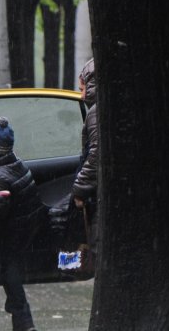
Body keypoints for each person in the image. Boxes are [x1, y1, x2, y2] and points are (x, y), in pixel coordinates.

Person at [0, 117, 44, 331]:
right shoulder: (16, 164)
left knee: (8, 271)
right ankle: (19, 313)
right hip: (26, 228)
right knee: (11, 271)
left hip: (11, 234)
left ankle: (23, 319)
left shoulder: (0, 177)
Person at [72, 58, 99, 251]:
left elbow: (96, 153)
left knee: (96, 244)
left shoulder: (96, 113)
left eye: (83, 89)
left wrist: (80, 188)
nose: (81, 96)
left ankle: (69, 266)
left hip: (97, 194)